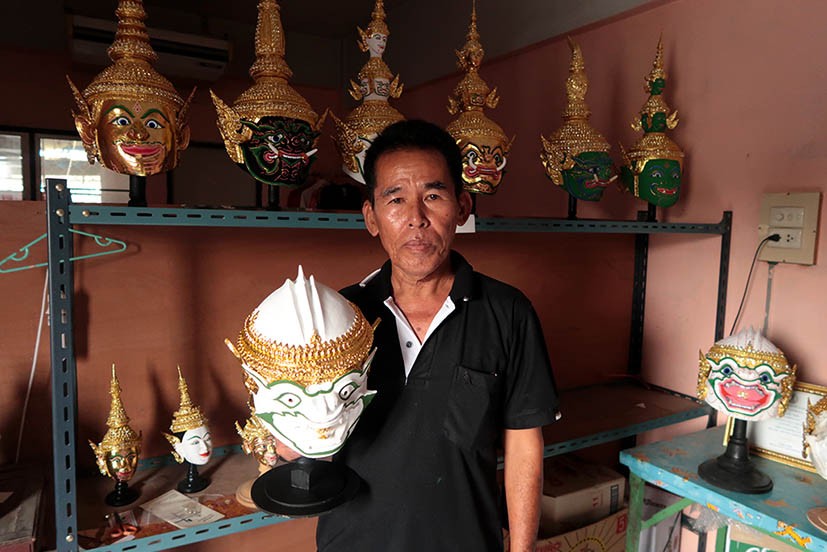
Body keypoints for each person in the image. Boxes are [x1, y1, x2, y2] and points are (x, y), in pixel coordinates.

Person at [284, 120, 559, 551]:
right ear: (372, 218)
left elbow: (524, 445)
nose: (416, 218)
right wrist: (284, 436)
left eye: (433, 196)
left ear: (463, 207)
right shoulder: (340, 318)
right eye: (395, 199)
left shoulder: (508, 312)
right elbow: (303, 442)